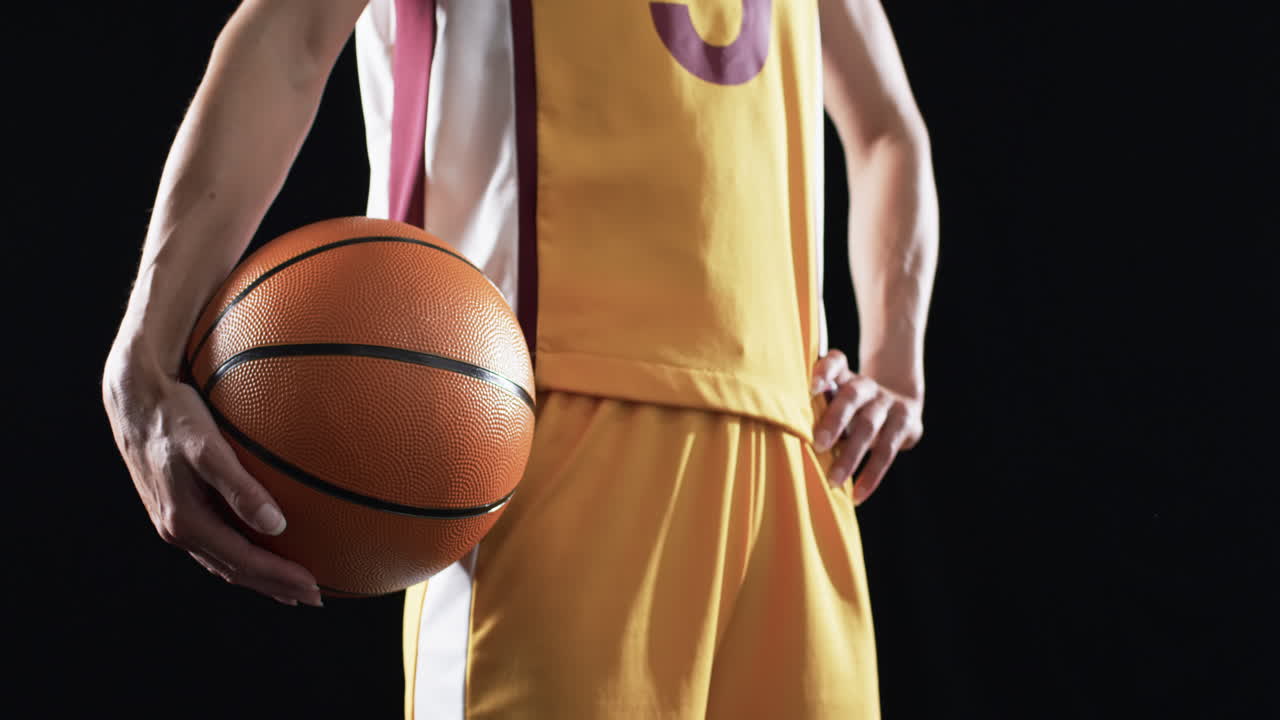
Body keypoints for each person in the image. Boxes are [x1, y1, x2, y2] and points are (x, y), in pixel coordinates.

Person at [102, 0, 938, 717]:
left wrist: (896, 367)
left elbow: (886, 128)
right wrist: (145, 348)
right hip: (530, 424)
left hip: (798, 453)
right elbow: (293, 36)